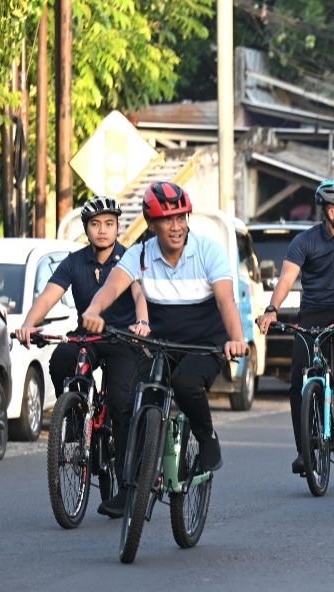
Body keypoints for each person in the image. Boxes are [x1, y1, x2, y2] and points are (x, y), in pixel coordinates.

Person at [82, 182, 249, 474]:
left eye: (181, 217)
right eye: (167, 219)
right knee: (128, 399)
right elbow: (110, 288)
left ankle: (207, 438)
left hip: (203, 345)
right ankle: (130, 484)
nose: (176, 227)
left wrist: (236, 339)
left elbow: (226, 301)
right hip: (159, 344)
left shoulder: (209, 251)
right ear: (152, 223)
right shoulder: (140, 254)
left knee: (186, 383)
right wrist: (94, 310)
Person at [15, 196, 149, 518]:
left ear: (118, 227)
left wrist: (142, 321)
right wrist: (28, 325)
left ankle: (125, 476)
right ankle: (74, 417)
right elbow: (49, 295)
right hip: (87, 337)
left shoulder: (129, 259)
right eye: (95, 224)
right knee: (61, 359)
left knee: (120, 401)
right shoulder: (73, 262)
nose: (102, 230)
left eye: (109, 224)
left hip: (122, 339)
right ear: (86, 229)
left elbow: (139, 294)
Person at [256, 180, 334, 477]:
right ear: (330, 211)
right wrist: (271, 309)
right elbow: (286, 279)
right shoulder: (305, 241)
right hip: (314, 315)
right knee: (299, 379)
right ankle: (304, 451)